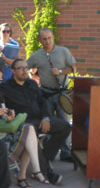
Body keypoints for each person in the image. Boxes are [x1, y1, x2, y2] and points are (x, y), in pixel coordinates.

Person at [0, 66, 48, 188]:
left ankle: (29, 172)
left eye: (0, 80)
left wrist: (9, 116)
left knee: (29, 130)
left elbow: (4, 115)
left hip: (1, 128)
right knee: (28, 134)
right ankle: (27, 174)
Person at [0, 59, 70, 184]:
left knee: (64, 127)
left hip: (39, 119)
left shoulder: (32, 84)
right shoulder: (5, 88)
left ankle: (45, 158)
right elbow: (2, 108)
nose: (24, 70)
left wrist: (46, 118)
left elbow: (43, 103)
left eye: (26, 68)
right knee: (32, 136)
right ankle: (46, 172)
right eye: (20, 68)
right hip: (23, 123)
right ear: (13, 71)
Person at [27, 28, 76, 161]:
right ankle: (49, 152)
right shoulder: (36, 55)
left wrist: (60, 71)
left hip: (61, 94)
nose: (47, 41)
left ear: (53, 37)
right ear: (40, 41)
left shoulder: (63, 51)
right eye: (44, 39)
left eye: (49, 38)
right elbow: (24, 66)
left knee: (64, 122)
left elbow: (73, 68)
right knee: (48, 123)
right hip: (46, 93)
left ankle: (66, 152)